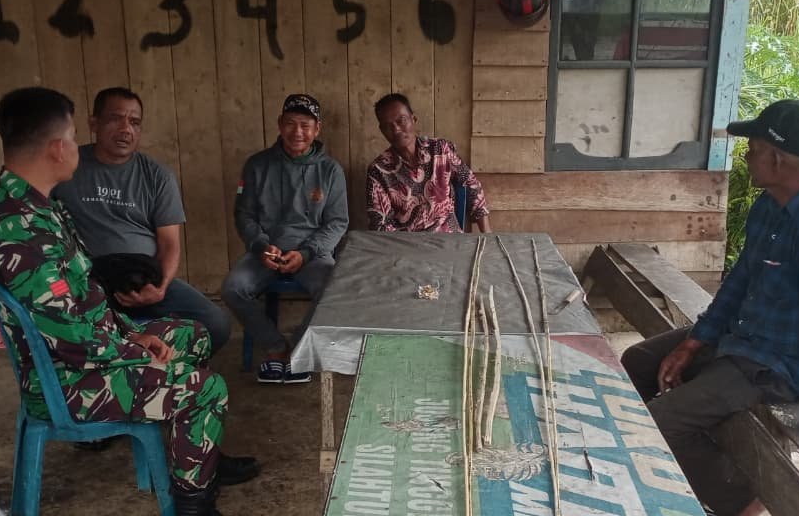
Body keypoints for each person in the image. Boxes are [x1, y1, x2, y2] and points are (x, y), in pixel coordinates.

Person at [0, 86, 270, 516]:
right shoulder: (23, 230)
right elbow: (72, 339)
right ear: (57, 148)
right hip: (67, 383)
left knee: (192, 334)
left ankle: (196, 457)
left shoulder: (38, 207)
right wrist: (137, 351)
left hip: (82, 357)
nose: (76, 146)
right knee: (205, 389)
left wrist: (133, 335)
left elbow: (84, 302)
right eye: (73, 135)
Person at [621, 99, 799, 516]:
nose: (747, 157)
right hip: (743, 339)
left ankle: (741, 505)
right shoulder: (772, 204)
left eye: (753, 149)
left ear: (777, 159)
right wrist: (694, 342)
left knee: (661, 421)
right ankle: (675, 468)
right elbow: (741, 280)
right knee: (639, 360)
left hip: (778, 366)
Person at [52, 87, 232, 353]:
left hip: (145, 279)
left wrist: (160, 288)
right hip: (88, 282)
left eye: (134, 122)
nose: (126, 129)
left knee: (216, 324)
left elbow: (169, 243)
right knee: (75, 328)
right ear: (94, 123)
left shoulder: (157, 176)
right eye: (115, 118)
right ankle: (128, 359)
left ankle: (156, 366)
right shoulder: (67, 168)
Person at [222, 93, 349, 384]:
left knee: (334, 290)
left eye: (305, 125)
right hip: (265, 251)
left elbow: (337, 223)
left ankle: (299, 348)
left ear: (317, 129)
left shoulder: (330, 170)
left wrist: (306, 253)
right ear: (280, 124)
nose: (297, 132)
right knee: (233, 288)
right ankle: (276, 348)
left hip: (312, 254)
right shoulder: (257, 165)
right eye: (290, 123)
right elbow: (244, 214)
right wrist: (260, 245)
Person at [366, 92, 492, 233]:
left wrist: (487, 235)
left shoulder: (440, 149)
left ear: (413, 119)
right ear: (382, 131)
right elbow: (380, 225)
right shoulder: (378, 170)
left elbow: (471, 185)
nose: (396, 129)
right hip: (407, 243)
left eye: (402, 120)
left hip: (449, 237)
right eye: (388, 126)